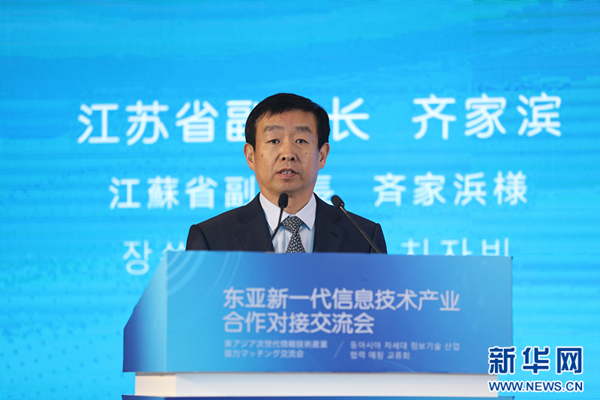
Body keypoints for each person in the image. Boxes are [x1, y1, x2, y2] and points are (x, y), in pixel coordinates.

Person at [186, 93, 386, 253]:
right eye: (274, 141)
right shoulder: (211, 239)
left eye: (301, 141)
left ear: (322, 155)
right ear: (250, 156)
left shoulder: (365, 237)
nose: (288, 153)